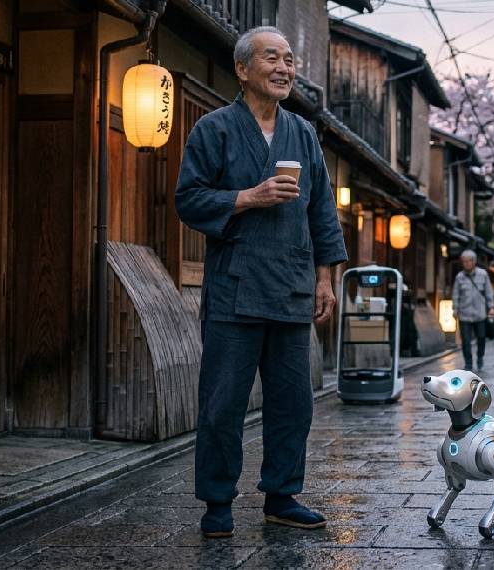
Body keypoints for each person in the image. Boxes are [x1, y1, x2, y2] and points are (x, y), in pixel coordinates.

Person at [175, 26, 347, 539]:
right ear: (243, 69)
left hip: (294, 287)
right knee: (223, 402)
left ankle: (281, 495)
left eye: (290, 59)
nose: (284, 68)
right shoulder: (215, 129)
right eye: (272, 58)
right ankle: (217, 500)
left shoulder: (303, 133)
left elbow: (322, 209)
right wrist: (247, 197)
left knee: (293, 401)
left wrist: (325, 278)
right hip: (235, 288)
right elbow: (188, 199)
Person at [451, 249, 494, 371]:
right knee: (466, 341)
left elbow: (488, 292)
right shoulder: (459, 277)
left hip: (480, 314)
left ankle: (480, 357)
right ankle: (468, 363)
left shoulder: (483, 274)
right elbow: (455, 294)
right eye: (464, 261)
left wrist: (491, 307)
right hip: (464, 314)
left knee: (481, 337)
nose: (466, 264)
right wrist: (455, 308)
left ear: (474, 261)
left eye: (469, 261)